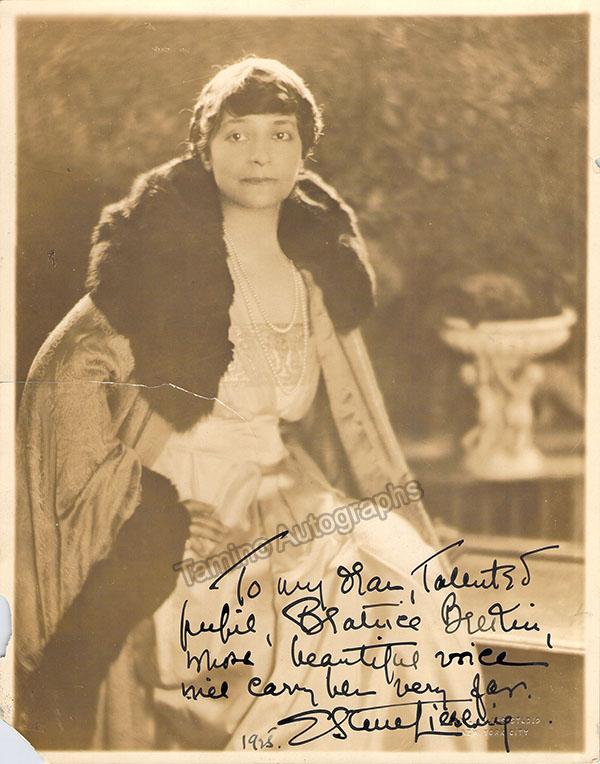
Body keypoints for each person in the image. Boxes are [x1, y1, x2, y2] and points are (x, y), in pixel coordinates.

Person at [16, 57, 483, 752]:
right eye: (236, 135)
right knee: (311, 621)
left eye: (279, 134)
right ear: (203, 151)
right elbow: (59, 379)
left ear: (303, 153)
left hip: (290, 495)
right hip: (187, 511)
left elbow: (351, 424)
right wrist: (138, 502)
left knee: (411, 574)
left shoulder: (315, 275)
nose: (258, 154)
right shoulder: (158, 262)